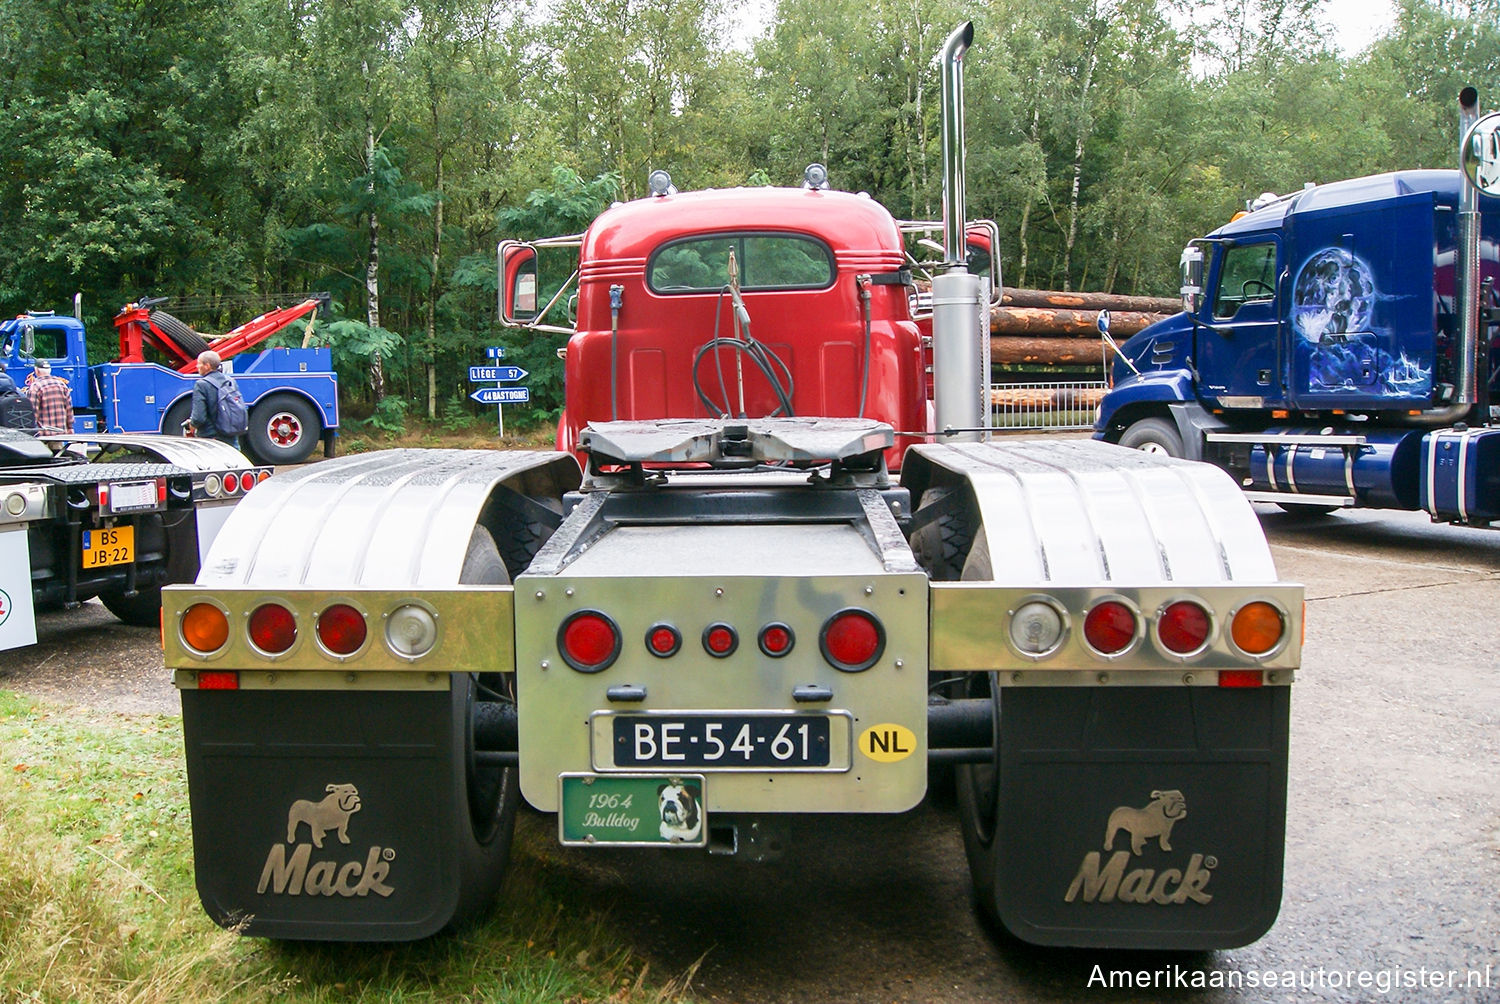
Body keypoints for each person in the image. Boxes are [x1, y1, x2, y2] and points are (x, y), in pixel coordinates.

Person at [187, 350, 240, 448]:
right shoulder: (230, 381)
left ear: (207, 366)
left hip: (211, 438)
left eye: (199, 364)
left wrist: (192, 424)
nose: (197, 367)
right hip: (231, 435)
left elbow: (199, 417)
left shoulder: (201, 384)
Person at [25, 359, 74, 435]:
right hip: (60, 433)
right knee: (58, 447)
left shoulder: (35, 387)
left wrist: (30, 431)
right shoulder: (62, 385)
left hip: (43, 434)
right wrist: (70, 427)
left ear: (36, 371)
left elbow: (32, 412)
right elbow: (69, 408)